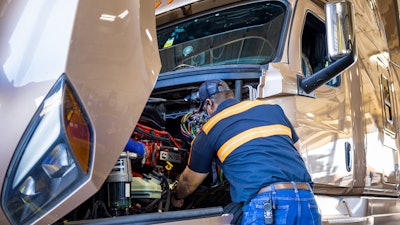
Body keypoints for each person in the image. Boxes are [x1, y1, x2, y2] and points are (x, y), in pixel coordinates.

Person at [171, 79, 321, 225]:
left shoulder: (210, 128)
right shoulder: (271, 108)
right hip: (306, 199)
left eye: (205, 110)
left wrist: (176, 197)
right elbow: (297, 150)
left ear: (209, 103)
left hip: (269, 205)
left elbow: (188, 182)